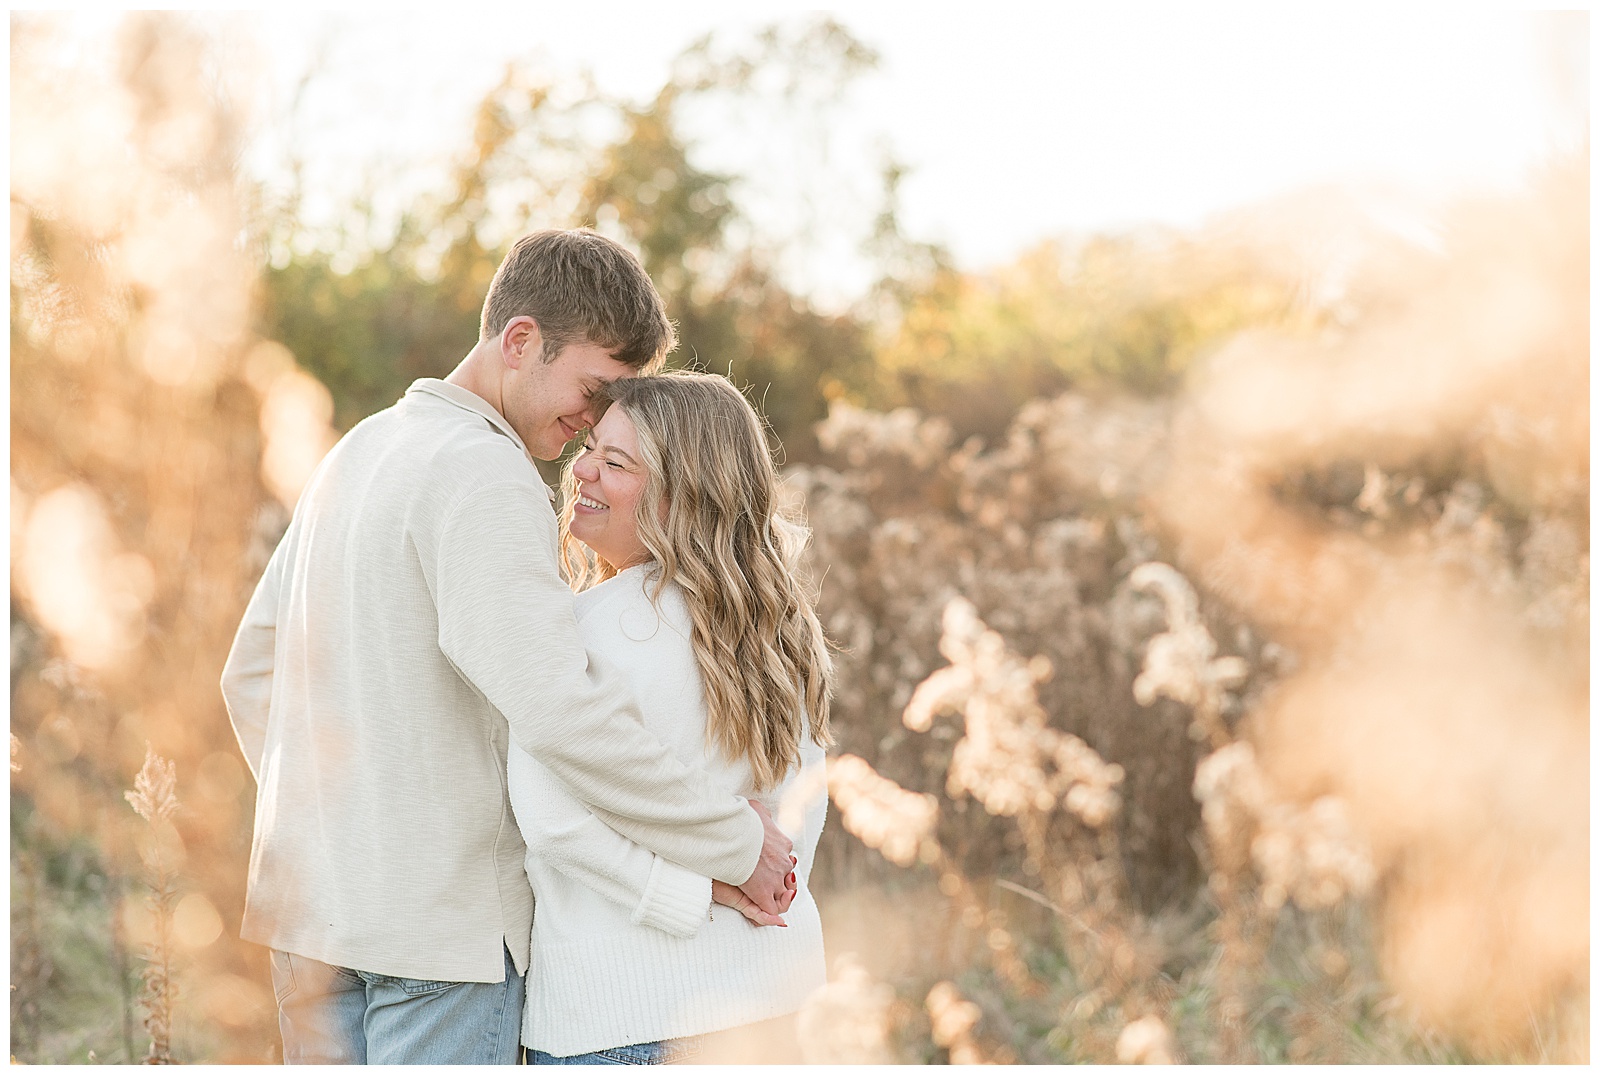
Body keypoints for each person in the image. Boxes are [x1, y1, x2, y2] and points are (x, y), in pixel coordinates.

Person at [220, 230, 796, 1065]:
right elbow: (560, 710)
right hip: (439, 940)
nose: (593, 419)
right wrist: (735, 843)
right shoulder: (485, 472)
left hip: (307, 917)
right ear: (521, 340)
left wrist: (344, 825)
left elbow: (251, 673)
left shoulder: (356, 450)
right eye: (593, 389)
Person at [510, 371, 834, 1065]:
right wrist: (734, 880)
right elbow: (798, 818)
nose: (581, 471)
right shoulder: (777, 628)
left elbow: (553, 822)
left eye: (616, 462)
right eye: (590, 448)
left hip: (619, 1017)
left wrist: (691, 891)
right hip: (779, 1003)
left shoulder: (578, 632)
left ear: (679, 496)